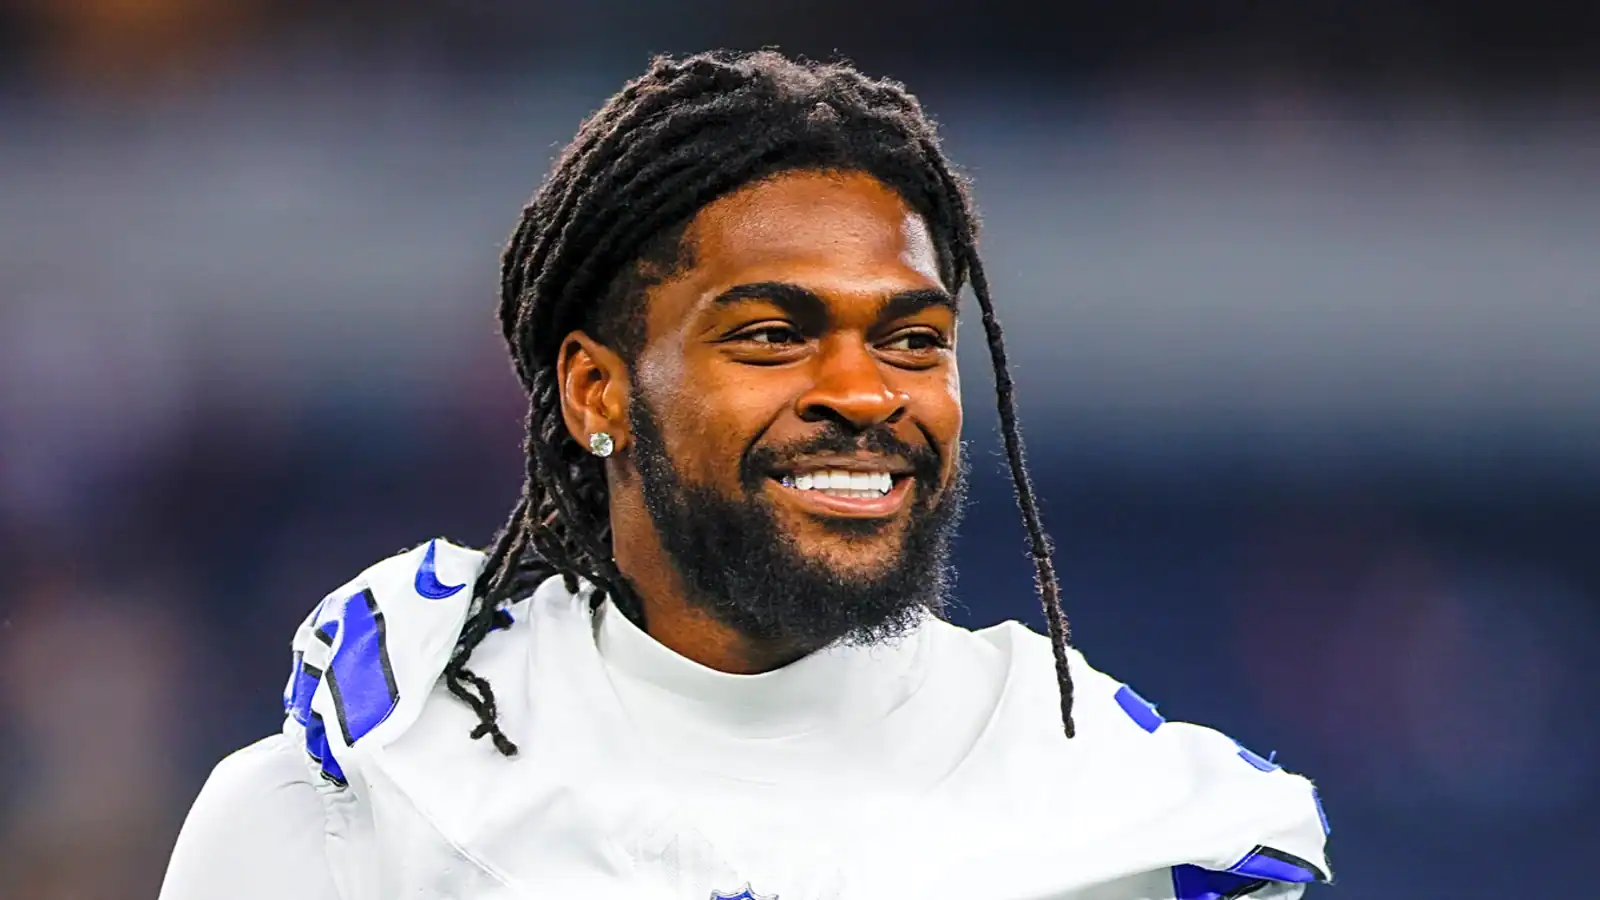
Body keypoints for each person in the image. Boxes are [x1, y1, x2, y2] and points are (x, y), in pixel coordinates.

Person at [159, 49, 1332, 900]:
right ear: (595, 393)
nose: (864, 393)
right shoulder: (364, 797)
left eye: (911, 341)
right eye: (771, 336)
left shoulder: (1113, 817)